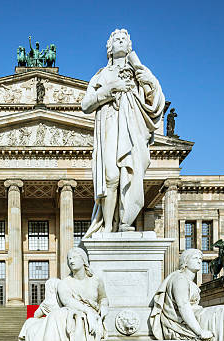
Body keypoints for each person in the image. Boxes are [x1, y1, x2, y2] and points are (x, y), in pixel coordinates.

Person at [81, 29, 166, 237]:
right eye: (116, 39)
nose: (120, 42)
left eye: (123, 40)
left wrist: (147, 79)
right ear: (109, 47)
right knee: (111, 176)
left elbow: (154, 100)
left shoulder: (139, 72)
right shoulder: (101, 75)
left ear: (129, 46)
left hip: (132, 130)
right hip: (109, 127)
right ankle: (108, 227)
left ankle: (125, 222)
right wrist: (111, 89)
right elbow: (86, 104)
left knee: (129, 174)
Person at [16, 248, 109, 341]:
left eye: (74, 257)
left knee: (57, 316)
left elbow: (103, 299)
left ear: (83, 260)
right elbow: (68, 302)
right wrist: (87, 312)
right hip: (75, 315)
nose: (71, 260)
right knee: (58, 315)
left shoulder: (96, 281)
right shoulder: (65, 283)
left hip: (93, 320)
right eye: (69, 258)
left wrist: (103, 309)